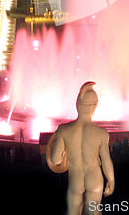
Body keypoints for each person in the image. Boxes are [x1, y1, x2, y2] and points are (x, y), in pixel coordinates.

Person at [49, 82, 115, 215]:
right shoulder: (101, 133)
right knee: (93, 211)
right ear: (94, 107)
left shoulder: (64, 130)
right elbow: (106, 160)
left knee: (72, 212)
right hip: (95, 178)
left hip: (76, 179)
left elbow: (55, 160)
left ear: (77, 105)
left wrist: (64, 157)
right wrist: (111, 180)